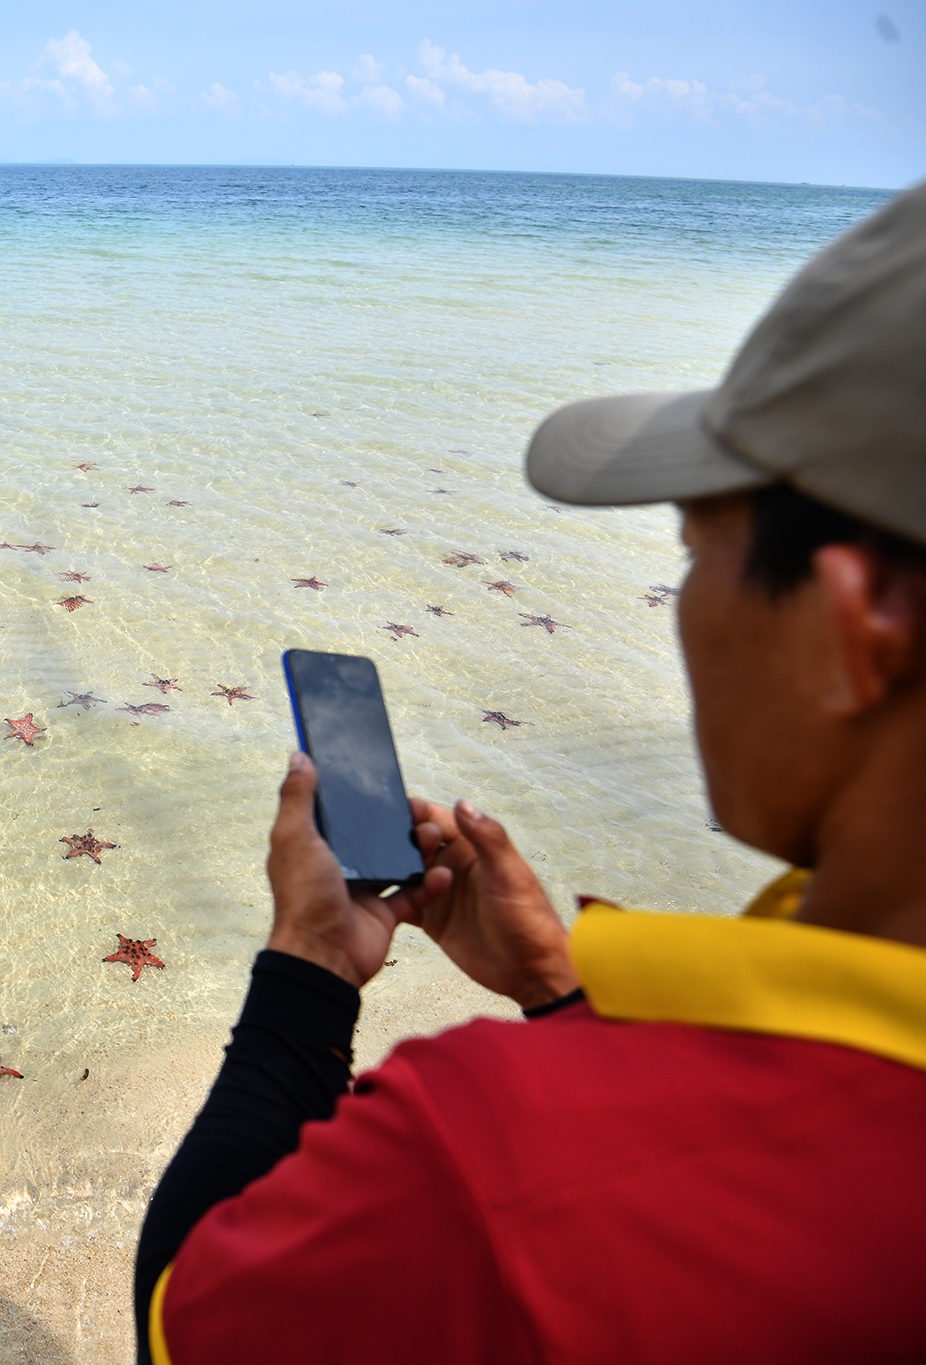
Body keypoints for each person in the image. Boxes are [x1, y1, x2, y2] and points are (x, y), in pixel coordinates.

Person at [137, 180, 926, 1364]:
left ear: (846, 629)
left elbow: (188, 1314)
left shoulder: (488, 1164)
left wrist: (308, 967)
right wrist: (565, 998)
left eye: (691, 553)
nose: (679, 612)